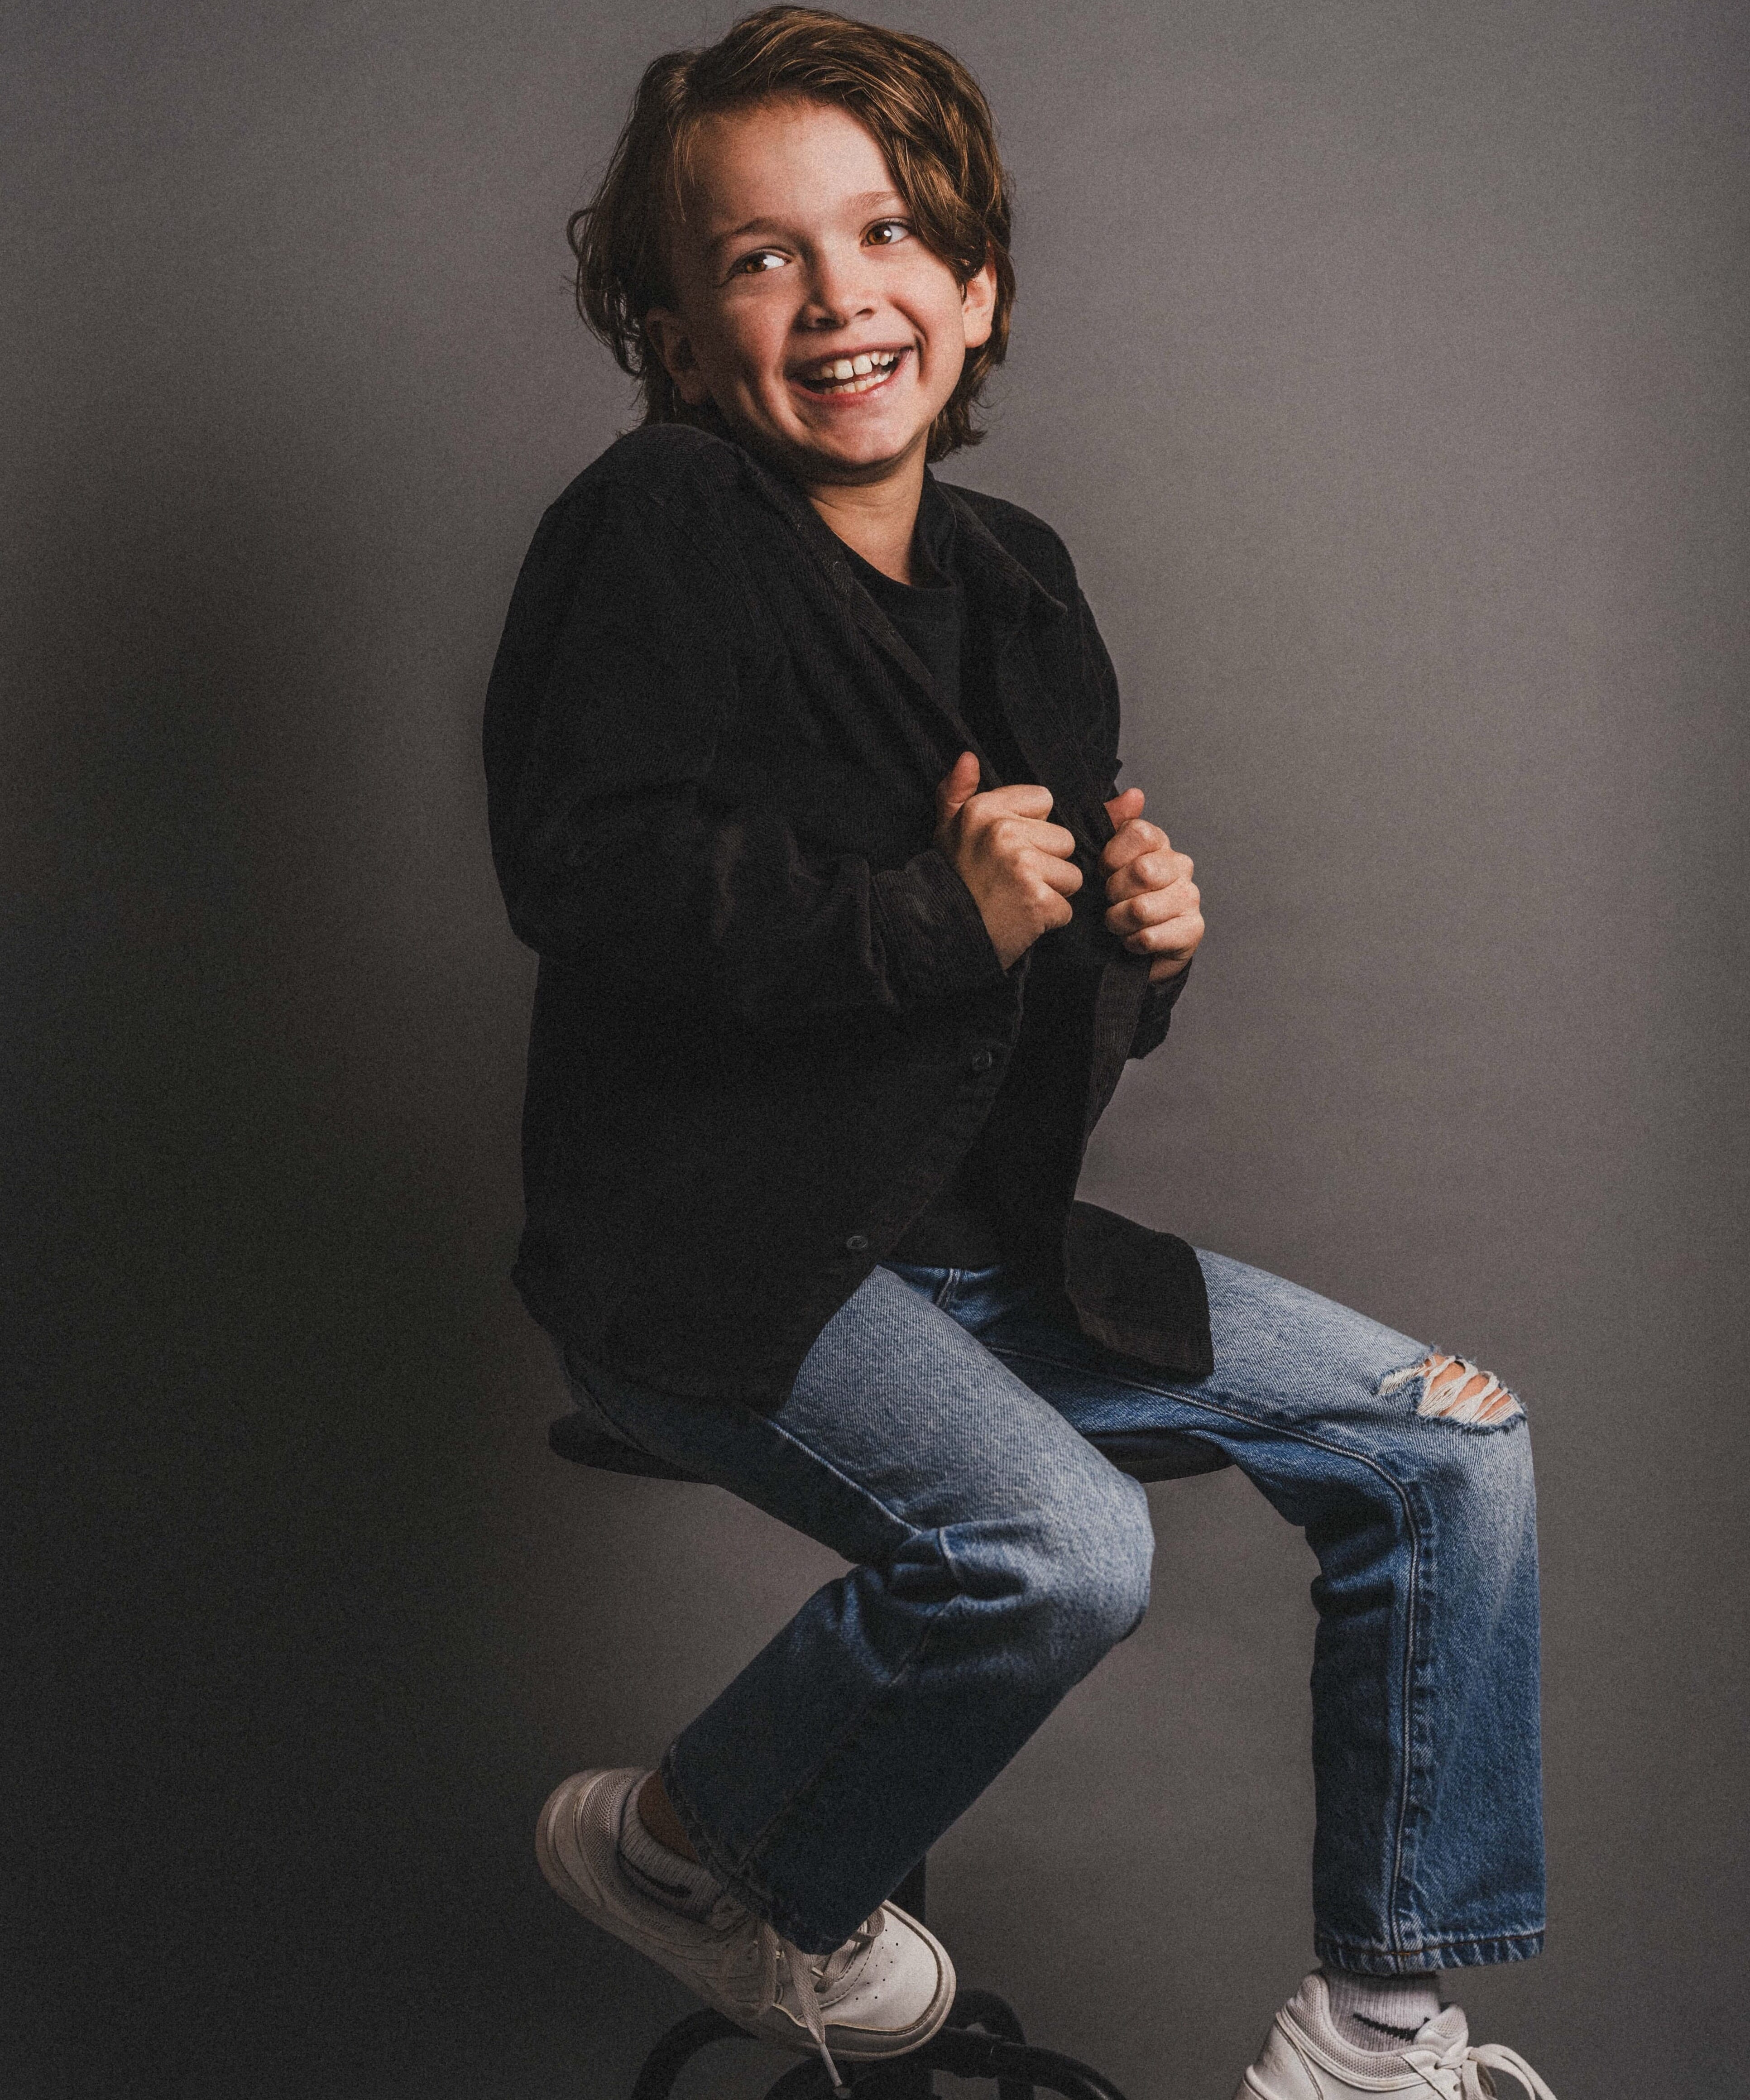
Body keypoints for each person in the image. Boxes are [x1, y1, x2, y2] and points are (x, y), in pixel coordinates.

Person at [482, 11, 1556, 2096]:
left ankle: (1376, 2037)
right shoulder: (662, 515)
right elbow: (584, 873)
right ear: (683, 338)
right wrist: (935, 913)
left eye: (886, 234)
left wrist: (1130, 953)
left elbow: (1010, 1023)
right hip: (725, 1261)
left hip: (980, 1254)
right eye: (762, 257)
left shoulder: (1020, 583)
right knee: (1061, 1547)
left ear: (974, 290)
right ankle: (694, 1846)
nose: (837, 293)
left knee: (1455, 1448)